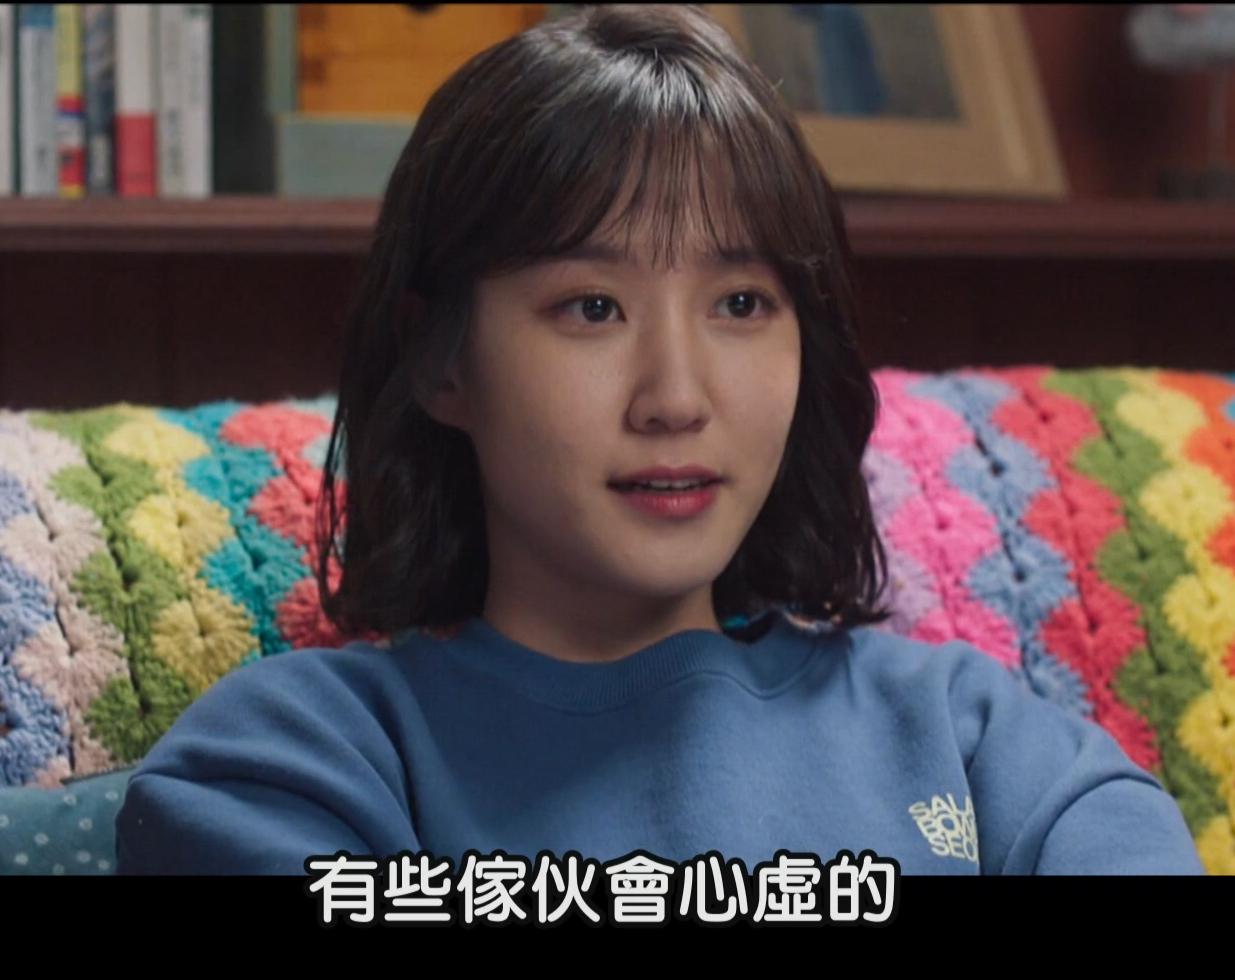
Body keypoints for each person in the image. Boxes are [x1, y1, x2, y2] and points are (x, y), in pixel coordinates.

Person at [114, 3, 1204, 880]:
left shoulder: (983, 746)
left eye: (740, 304)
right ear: (441, 358)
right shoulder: (295, 765)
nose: (676, 397)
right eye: (591, 308)